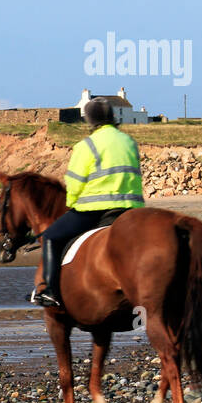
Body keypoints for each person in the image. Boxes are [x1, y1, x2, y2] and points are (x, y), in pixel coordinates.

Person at [31, 97, 144, 308]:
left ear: (89, 121)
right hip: (131, 210)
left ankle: (49, 291)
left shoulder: (87, 146)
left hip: (95, 209)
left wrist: (72, 203)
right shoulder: (129, 142)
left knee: (51, 237)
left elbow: (74, 182)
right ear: (112, 117)